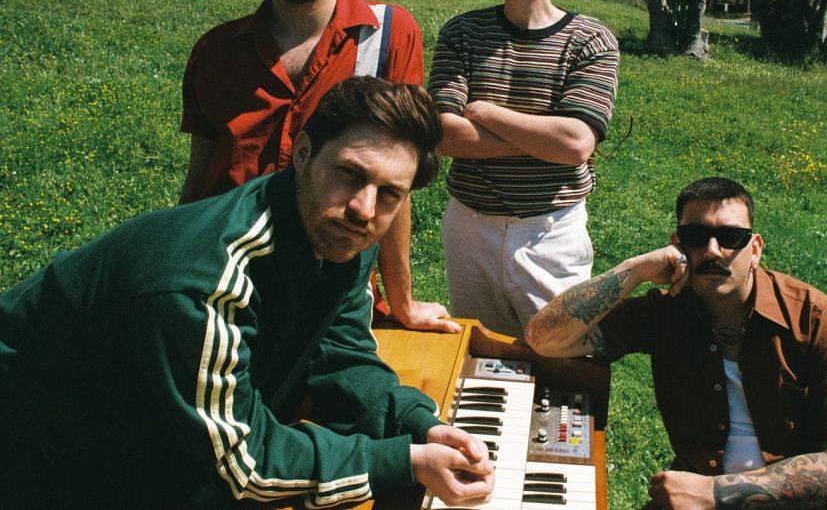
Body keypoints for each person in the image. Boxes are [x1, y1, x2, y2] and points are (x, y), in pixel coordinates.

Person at [0, 78, 493, 508]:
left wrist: (420, 424)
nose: (365, 208)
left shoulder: (341, 236)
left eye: (390, 193)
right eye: (350, 174)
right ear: (304, 153)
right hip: (39, 445)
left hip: (141, 422)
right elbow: (245, 464)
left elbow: (340, 357)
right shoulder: (201, 281)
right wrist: (404, 462)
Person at [180, 0, 457, 334]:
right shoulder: (215, 50)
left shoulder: (387, 35)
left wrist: (403, 302)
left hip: (331, 292)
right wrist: (176, 270)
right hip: (224, 285)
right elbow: (199, 180)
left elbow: (395, 177)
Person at [524, 177, 827, 509]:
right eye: (696, 236)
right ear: (677, 244)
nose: (713, 250)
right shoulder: (665, 312)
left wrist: (716, 492)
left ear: (755, 249)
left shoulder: (814, 318)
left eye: (731, 237)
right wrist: (636, 270)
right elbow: (544, 338)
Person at [427, 0, 619, 338]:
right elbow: (443, 134)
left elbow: (576, 143)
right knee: (480, 353)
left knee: (560, 352)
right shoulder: (462, 33)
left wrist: (483, 110)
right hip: (469, 227)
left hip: (550, 233)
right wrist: (544, 142)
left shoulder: (589, 41)